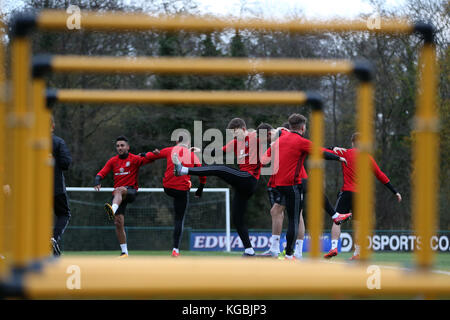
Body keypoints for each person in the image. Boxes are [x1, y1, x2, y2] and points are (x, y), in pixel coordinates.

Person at [173, 118, 269, 257]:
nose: (234, 136)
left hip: (249, 179)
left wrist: (277, 132)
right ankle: (249, 250)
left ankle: (183, 170)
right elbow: (217, 152)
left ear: (243, 129)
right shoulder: (235, 143)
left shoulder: (254, 136)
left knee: (221, 168)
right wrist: (199, 151)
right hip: (243, 185)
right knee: (237, 219)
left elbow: (270, 134)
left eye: (235, 133)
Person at [260, 114, 347, 260]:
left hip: (279, 184)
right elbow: (319, 151)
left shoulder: (279, 140)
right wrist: (338, 157)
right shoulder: (299, 141)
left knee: (287, 213)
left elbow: (263, 159)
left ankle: (292, 252)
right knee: (294, 217)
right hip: (293, 184)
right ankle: (289, 254)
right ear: (303, 127)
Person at [323, 132, 402, 260]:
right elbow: (380, 175)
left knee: (337, 220)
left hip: (347, 192)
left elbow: (323, 151)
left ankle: (333, 247)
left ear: (352, 142)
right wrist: (395, 191)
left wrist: (333, 148)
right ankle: (357, 253)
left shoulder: (345, 153)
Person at [142, 137, 206, 257]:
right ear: (189, 144)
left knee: (173, 184)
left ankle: (179, 168)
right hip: (181, 190)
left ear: (177, 142)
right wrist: (200, 189)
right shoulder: (192, 155)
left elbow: (153, 156)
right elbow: (203, 175)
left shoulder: (170, 150)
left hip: (168, 187)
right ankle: (175, 249)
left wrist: (143, 154)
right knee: (179, 219)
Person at [94, 136, 152, 258]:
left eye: (122, 145)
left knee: (119, 190)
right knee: (118, 222)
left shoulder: (134, 159)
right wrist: (97, 179)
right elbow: (102, 172)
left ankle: (112, 209)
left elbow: (150, 159)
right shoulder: (113, 161)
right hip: (118, 196)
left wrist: (147, 154)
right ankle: (124, 252)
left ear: (127, 147)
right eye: (118, 146)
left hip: (130, 191)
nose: (120, 148)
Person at [52, 117, 73, 257]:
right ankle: (53, 238)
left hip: (34, 188)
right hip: (56, 187)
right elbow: (66, 164)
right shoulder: (58, 142)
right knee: (64, 214)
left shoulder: (29, 142)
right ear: (53, 126)